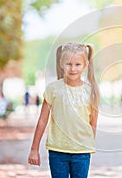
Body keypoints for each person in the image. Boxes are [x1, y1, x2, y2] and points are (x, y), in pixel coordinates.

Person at [28, 43, 100, 178]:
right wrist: (34, 149)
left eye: (77, 64)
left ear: (85, 65)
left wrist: (87, 144)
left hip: (81, 152)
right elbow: (43, 120)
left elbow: (93, 123)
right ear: (61, 63)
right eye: (68, 64)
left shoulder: (91, 92)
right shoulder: (53, 89)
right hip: (57, 151)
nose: (73, 68)